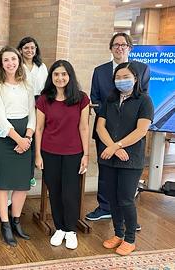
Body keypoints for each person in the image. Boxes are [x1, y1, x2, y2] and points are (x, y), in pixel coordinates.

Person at [86, 33, 150, 226]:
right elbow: (95, 99)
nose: (119, 48)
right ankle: (104, 208)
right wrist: (111, 142)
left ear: (129, 48)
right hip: (105, 132)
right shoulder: (100, 71)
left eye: (123, 45)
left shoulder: (142, 69)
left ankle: (127, 216)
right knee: (106, 174)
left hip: (130, 135)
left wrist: (119, 144)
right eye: (115, 45)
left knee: (126, 182)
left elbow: (140, 100)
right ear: (111, 48)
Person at [97, 62, 153, 255]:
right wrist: (112, 148)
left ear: (135, 78)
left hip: (131, 158)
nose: (121, 81)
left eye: (126, 77)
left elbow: (141, 130)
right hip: (110, 158)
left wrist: (116, 146)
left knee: (126, 199)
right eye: (118, 78)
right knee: (112, 198)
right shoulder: (110, 100)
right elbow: (100, 127)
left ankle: (130, 238)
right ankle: (118, 234)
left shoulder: (144, 100)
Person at [35, 60, 90, 250]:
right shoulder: (44, 99)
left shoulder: (81, 98)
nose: (60, 78)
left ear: (70, 76)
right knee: (55, 192)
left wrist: (86, 155)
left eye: (64, 74)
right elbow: (39, 129)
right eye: (56, 74)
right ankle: (59, 228)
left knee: (70, 193)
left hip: (74, 153)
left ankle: (71, 230)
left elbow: (84, 127)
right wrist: (38, 155)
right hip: (49, 152)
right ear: (51, 77)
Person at [0, 46, 35, 247]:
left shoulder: (27, 84)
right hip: (4, 137)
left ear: (19, 61)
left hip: (25, 136)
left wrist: (28, 137)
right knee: (3, 183)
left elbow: (32, 113)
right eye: (6, 60)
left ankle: (16, 221)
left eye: (13, 59)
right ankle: (5, 225)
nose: (10, 63)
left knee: (22, 183)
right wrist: (18, 140)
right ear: (1, 63)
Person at [17, 36, 48, 188]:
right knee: (25, 135)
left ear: (36, 50)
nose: (29, 50)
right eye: (26, 48)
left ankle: (34, 170)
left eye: (32, 48)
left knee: (37, 136)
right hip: (23, 103)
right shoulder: (17, 65)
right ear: (21, 50)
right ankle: (25, 173)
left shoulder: (42, 66)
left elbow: (48, 87)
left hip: (40, 103)